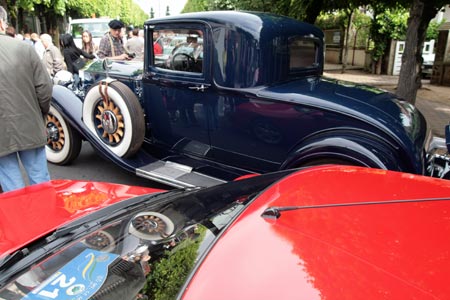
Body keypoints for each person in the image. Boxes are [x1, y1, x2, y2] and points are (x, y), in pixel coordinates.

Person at [0, 6, 53, 192]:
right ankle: (47, 218)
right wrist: (42, 114)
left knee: (11, 185)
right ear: (2, 23)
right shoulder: (24, 48)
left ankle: (21, 219)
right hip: (28, 121)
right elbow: (44, 88)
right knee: (40, 179)